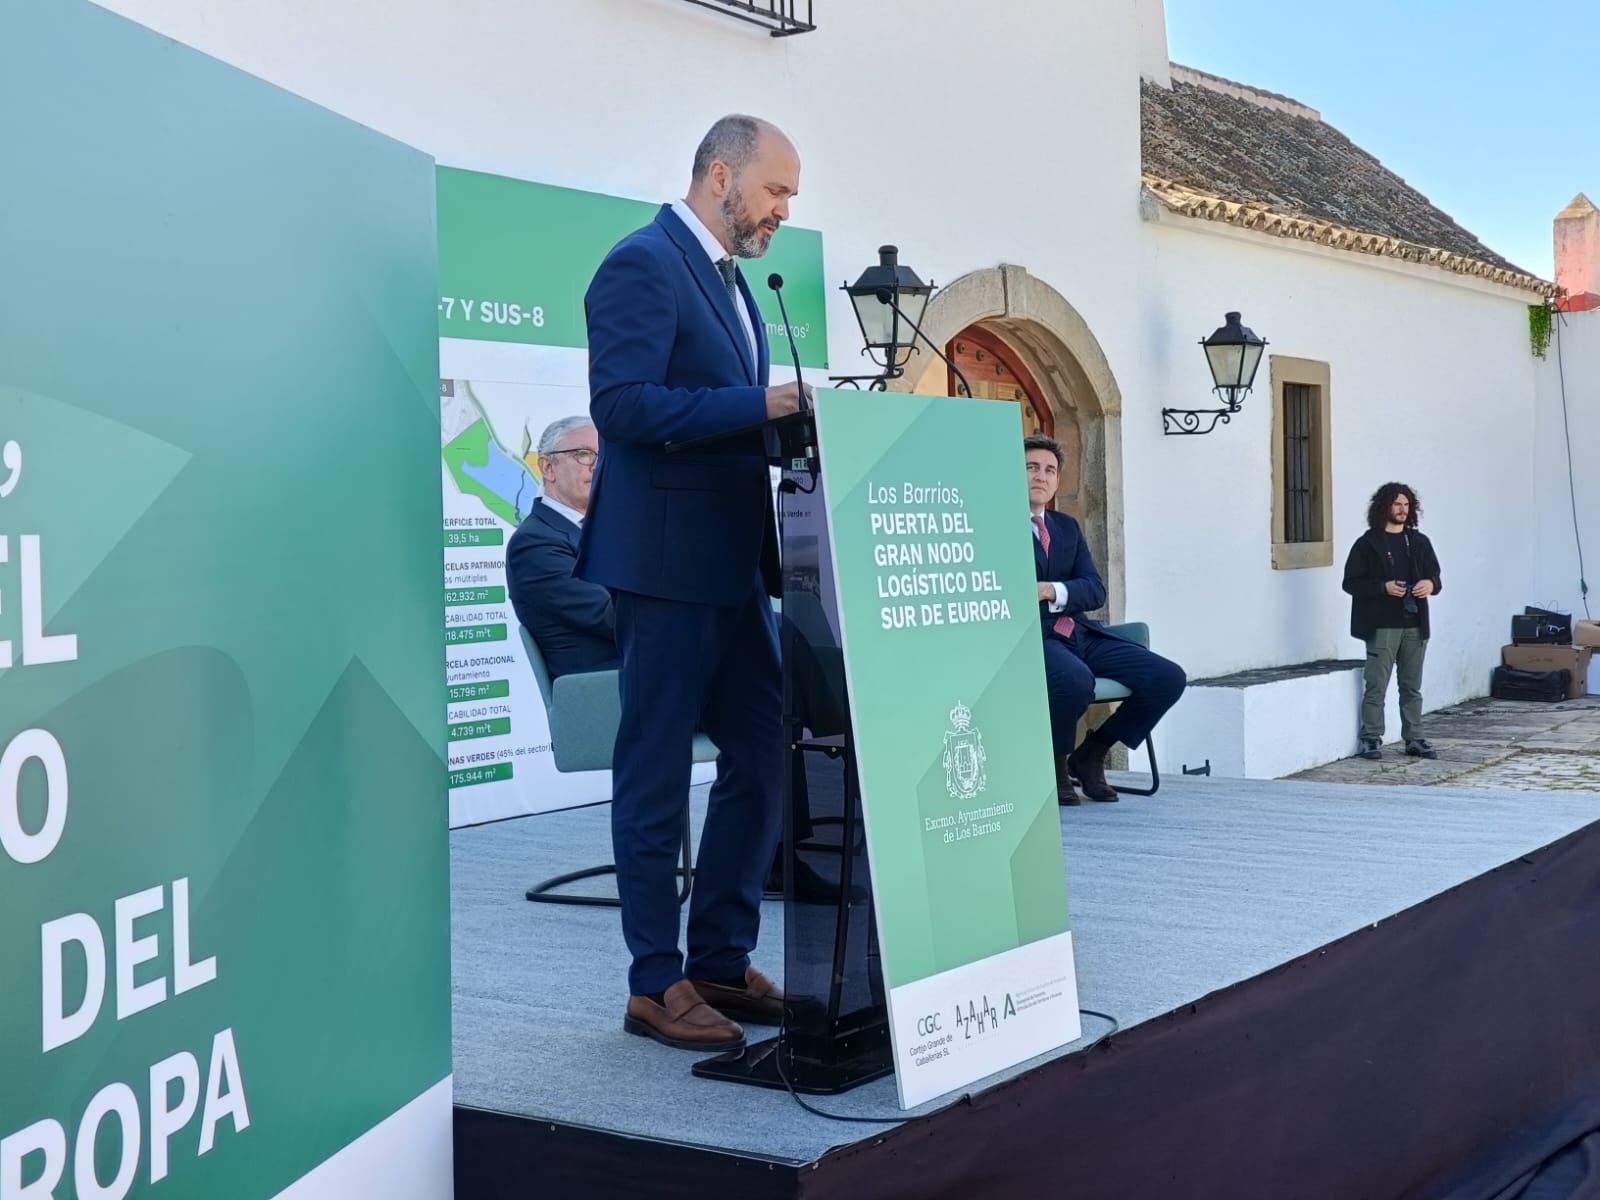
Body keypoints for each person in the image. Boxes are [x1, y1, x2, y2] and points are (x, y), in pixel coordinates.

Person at [576, 114, 808, 1052]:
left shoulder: (733, 283)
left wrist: (799, 427)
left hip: (733, 566)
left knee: (763, 755)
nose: (784, 211)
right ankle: (652, 982)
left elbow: (724, 418)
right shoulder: (642, 261)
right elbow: (622, 407)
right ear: (721, 175)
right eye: (776, 191)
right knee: (657, 773)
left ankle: (718, 954)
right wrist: (762, 403)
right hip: (664, 566)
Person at [1025, 434, 1187, 805]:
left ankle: (1093, 752)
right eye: (1031, 467)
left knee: (1167, 677)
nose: (1041, 476)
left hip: (1079, 632)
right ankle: (1056, 766)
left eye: (1050, 470)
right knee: (1074, 681)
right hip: (1034, 638)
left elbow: (1095, 590)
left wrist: (1050, 590)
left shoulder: (1067, 527)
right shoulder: (995, 527)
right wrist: (1068, 590)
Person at [505, 416, 618, 679]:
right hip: (602, 688)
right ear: (547, 467)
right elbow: (609, 616)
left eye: (604, 456)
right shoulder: (534, 543)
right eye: (584, 455)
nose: (597, 466)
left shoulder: (608, 530)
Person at [1342, 482, 1442, 761]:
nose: (1402, 509)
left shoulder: (1419, 542)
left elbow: (1436, 577)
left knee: (1412, 687)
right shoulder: (1368, 543)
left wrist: (1429, 585)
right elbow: (1350, 583)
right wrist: (1383, 587)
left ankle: (1414, 738)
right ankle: (1371, 739)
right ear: (1384, 506)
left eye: (1406, 504)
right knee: (1377, 685)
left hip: (1415, 624)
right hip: (1382, 624)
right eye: (1397, 504)